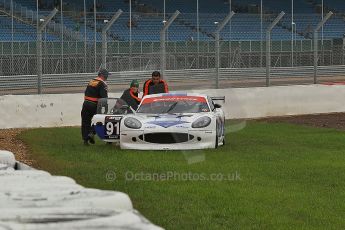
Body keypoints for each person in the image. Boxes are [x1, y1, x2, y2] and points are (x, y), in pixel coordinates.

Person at [81, 69, 110, 146]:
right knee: (98, 120)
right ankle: (91, 133)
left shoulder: (91, 81)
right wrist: (105, 108)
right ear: (104, 75)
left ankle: (85, 140)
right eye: (107, 76)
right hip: (94, 105)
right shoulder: (103, 84)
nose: (107, 77)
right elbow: (104, 98)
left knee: (85, 122)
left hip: (86, 104)